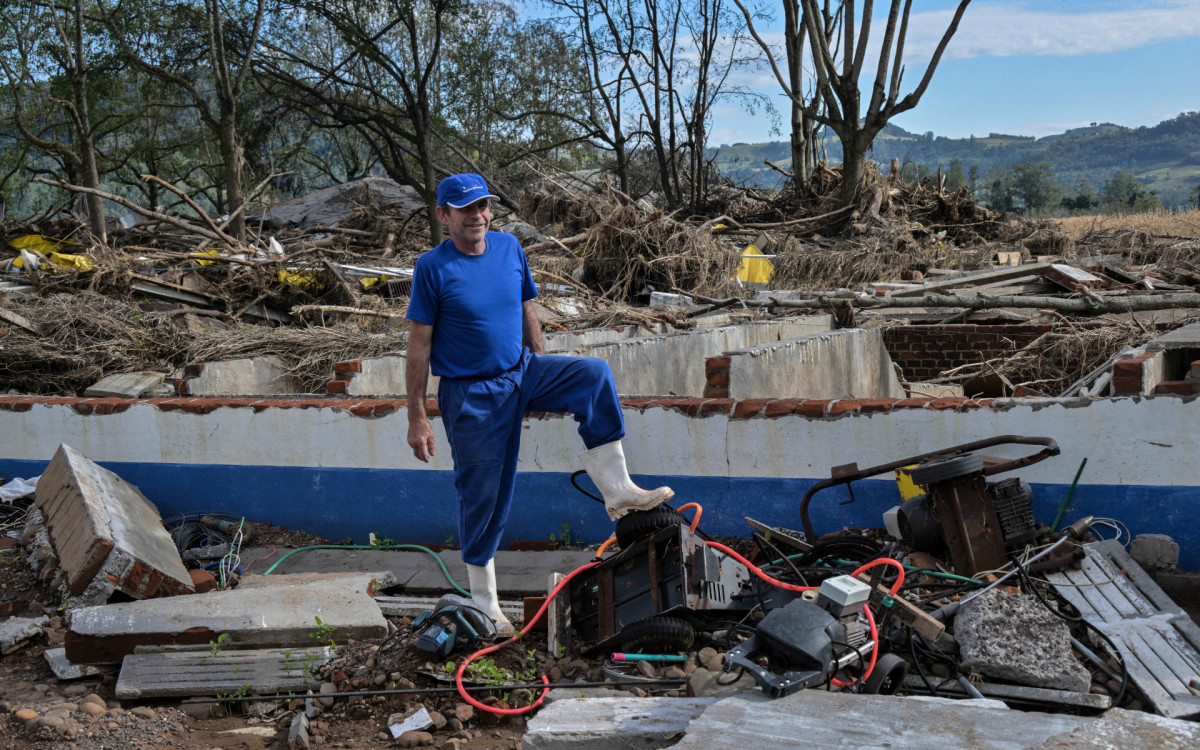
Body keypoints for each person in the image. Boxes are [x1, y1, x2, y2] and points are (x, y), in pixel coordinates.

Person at [405, 173, 673, 635]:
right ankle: (485, 603)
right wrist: (417, 416)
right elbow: (418, 346)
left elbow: (528, 308)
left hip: (522, 372)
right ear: (443, 215)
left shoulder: (509, 248)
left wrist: (541, 377)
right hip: (470, 394)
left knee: (592, 376)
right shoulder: (433, 268)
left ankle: (618, 492)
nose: (477, 216)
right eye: (465, 209)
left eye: (483, 206)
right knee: (482, 493)